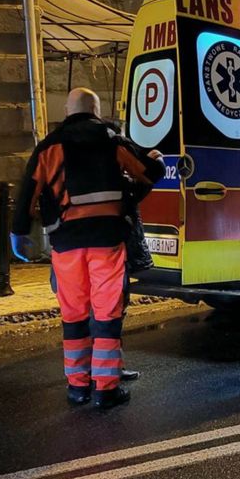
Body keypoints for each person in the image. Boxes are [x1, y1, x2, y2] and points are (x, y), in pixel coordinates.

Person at [11, 88, 165, 409]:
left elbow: (27, 192)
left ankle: (77, 386)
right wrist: (156, 161)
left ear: (67, 110)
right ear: (96, 110)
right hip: (106, 242)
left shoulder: (48, 146)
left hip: (66, 244)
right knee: (107, 313)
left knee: (74, 314)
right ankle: (105, 390)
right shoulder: (111, 139)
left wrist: (19, 234)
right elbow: (147, 173)